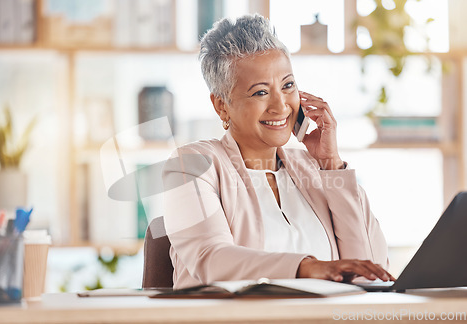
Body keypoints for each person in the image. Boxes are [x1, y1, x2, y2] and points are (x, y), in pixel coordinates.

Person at [162, 14, 394, 289]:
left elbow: (371, 273)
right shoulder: (191, 165)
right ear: (222, 106)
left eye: (287, 86)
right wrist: (307, 267)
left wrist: (331, 164)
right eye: (260, 92)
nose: (281, 106)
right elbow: (211, 259)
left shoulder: (318, 169)